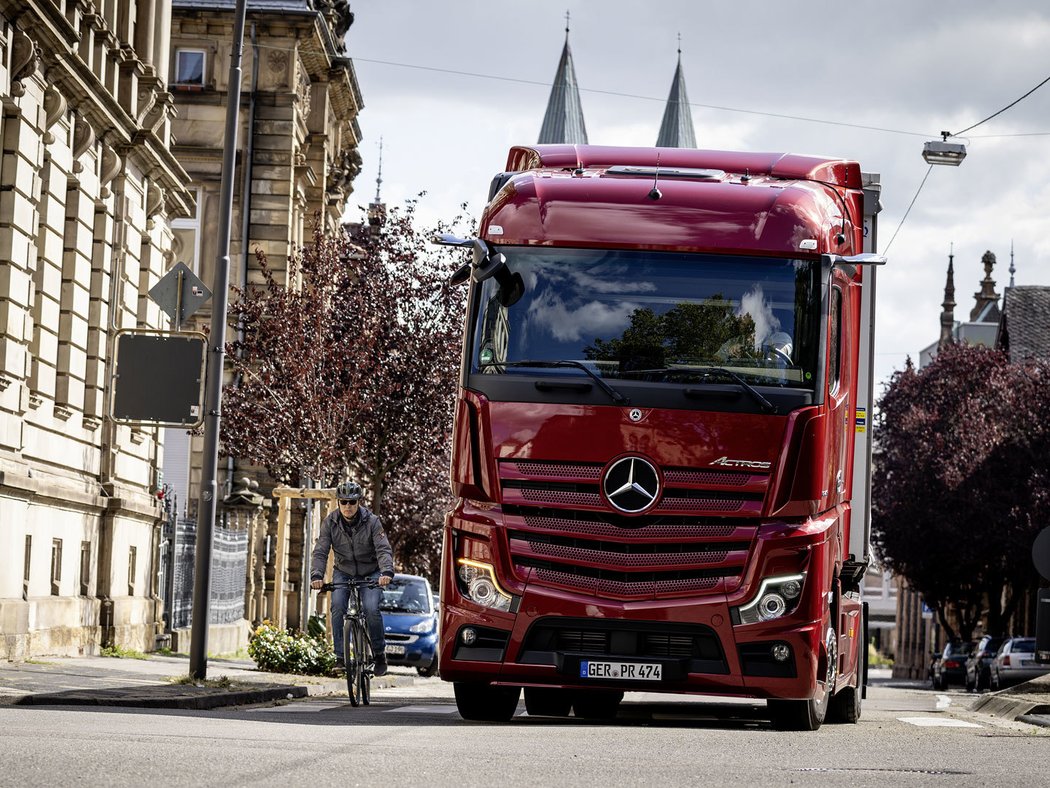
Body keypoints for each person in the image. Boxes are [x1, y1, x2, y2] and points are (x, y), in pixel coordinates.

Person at [310, 481, 394, 676]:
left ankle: (379, 654)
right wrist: (317, 575)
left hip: (370, 572)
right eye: (344, 502)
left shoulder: (372, 522)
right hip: (343, 571)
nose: (348, 506)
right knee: (338, 607)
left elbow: (383, 549)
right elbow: (321, 551)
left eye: (352, 502)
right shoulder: (330, 522)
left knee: (371, 609)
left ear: (359, 503)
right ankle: (340, 658)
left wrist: (386, 572)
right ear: (338, 503)